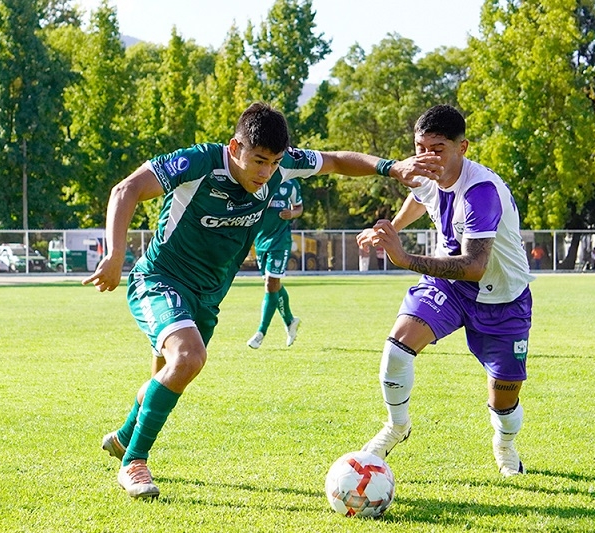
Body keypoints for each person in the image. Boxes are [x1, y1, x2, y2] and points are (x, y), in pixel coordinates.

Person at [82, 102, 435, 499]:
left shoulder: (283, 167)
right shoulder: (198, 163)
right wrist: (114, 255)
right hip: (161, 279)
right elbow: (125, 189)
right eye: (259, 160)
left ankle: (123, 438)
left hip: (208, 296)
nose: (266, 173)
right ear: (236, 147)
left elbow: (335, 161)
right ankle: (134, 461)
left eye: (274, 163)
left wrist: (392, 167)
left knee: (166, 377)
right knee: (188, 359)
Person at [356, 104, 535, 477]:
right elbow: (420, 197)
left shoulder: (481, 192)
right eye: (420, 147)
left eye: (437, 149)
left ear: (462, 147)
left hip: (501, 297)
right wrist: (390, 227)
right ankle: (397, 426)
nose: (426, 158)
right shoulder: (424, 171)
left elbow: (474, 266)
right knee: (398, 347)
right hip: (448, 287)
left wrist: (404, 259)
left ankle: (504, 443)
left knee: (504, 398)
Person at [246, 178, 303, 349]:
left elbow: (299, 207)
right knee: (273, 284)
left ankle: (260, 333)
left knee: (271, 283)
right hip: (261, 241)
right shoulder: (258, 180)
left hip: (280, 241)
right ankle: (290, 321)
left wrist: (292, 214)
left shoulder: (291, 184)